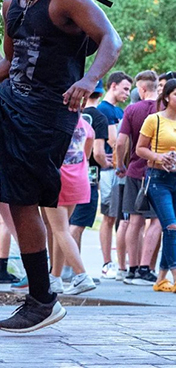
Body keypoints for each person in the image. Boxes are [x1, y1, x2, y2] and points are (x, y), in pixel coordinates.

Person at [0, 0, 121, 333]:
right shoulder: (11, 4)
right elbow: (9, 64)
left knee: (22, 200)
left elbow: (111, 39)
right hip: (11, 101)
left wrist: (88, 81)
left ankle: (42, 300)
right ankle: (41, 298)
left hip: (47, 112)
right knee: (17, 201)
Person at [136, 78, 176, 293]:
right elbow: (139, 149)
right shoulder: (154, 120)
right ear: (166, 97)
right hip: (158, 178)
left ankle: (161, 278)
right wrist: (159, 156)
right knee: (171, 226)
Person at [116, 70, 162, 286]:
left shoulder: (132, 109)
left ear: (141, 89)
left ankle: (131, 268)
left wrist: (120, 164)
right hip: (157, 171)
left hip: (134, 170)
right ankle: (145, 268)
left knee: (133, 220)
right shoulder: (163, 110)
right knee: (156, 221)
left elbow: (120, 141)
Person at [43, 115, 97, 295]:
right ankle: (55, 277)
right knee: (62, 229)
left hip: (57, 179)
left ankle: (81, 275)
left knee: (59, 230)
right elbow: (89, 143)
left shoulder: (52, 119)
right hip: (78, 179)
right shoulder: (81, 121)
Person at [68, 81, 111, 275]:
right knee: (77, 225)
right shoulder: (98, 118)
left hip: (62, 172)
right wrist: (108, 165)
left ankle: (62, 267)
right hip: (86, 176)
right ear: (99, 94)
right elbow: (98, 152)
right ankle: (72, 269)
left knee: (64, 224)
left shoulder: (67, 114)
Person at [97, 71, 132, 279]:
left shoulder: (119, 111)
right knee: (109, 216)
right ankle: (106, 262)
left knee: (118, 215)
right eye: (125, 88)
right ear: (113, 86)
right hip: (109, 169)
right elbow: (113, 140)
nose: (127, 93)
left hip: (120, 168)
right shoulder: (104, 110)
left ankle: (117, 261)